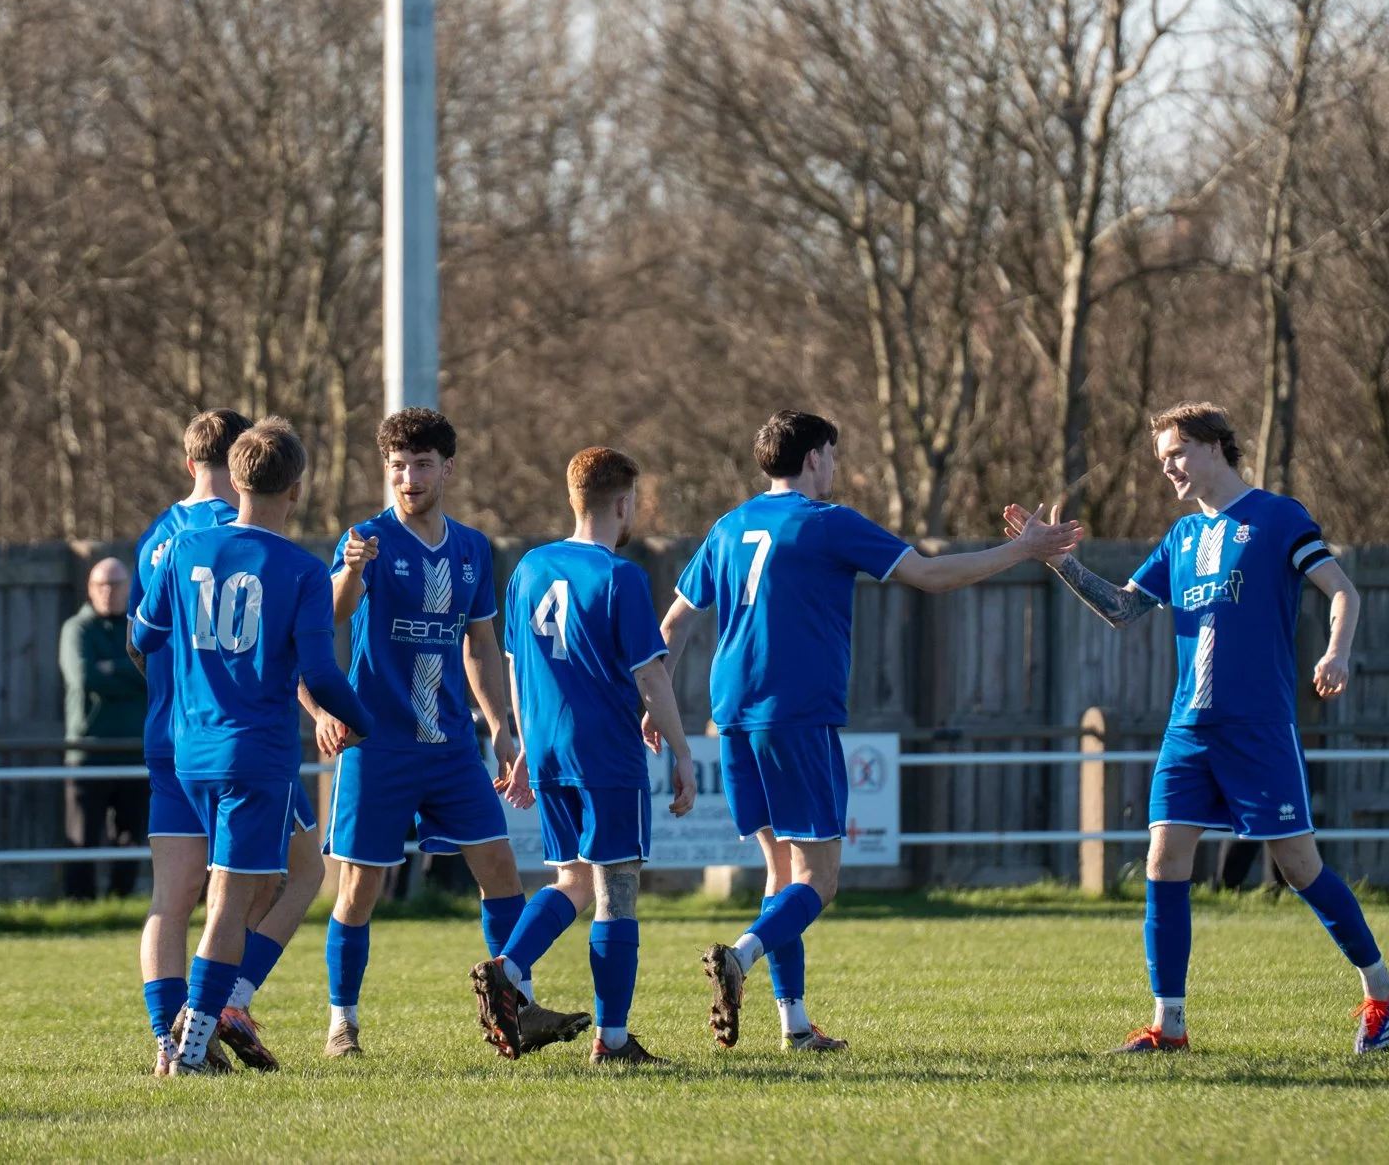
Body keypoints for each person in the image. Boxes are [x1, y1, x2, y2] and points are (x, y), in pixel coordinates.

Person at [663, 409, 1081, 1051]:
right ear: (812, 459)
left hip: (734, 716)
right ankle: (740, 959)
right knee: (819, 879)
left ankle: (795, 1027)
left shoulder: (728, 526)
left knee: (780, 873)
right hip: (796, 714)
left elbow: (675, 625)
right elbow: (931, 576)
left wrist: (654, 699)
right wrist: (1023, 550)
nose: (834, 468)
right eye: (831, 455)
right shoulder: (827, 523)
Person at [1022, 401, 1389, 1054]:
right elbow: (1121, 608)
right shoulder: (1181, 538)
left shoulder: (1278, 517)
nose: (1167, 466)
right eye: (1162, 457)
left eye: (1175, 452)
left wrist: (1337, 650)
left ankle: (1381, 986)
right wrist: (1061, 564)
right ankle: (1169, 1026)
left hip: (1258, 729)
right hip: (1188, 730)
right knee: (1164, 860)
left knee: (1299, 866)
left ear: (1212, 446)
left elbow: (1344, 590)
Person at [318, 408, 588, 1058]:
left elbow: (480, 644)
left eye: (420, 464)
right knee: (360, 886)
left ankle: (512, 1003)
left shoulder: (470, 548)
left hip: (449, 746)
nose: (408, 478)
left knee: (499, 867)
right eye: (397, 467)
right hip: (376, 745)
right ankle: (341, 1023)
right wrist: (352, 569)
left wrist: (500, 726)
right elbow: (334, 610)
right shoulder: (367, 539)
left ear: (447, 468)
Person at [132, 418, 375, 1076]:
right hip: (255, 756)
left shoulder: (183, 550)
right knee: (229, 905)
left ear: (235, 480)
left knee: (202, 897)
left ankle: (180, 1036)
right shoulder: (299, 569)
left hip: (189, 753)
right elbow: (321, 674)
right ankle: (187, 1048)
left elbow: (144, 633)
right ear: (297, 488)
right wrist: (363, 719)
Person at [471, 447, 698, 1066]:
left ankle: (509, 968)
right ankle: (613, 1040)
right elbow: (650, 676)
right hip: (605, 753)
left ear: (574, 498)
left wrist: (519, 744)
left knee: (569, 878)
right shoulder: (620, 577)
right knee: (616, 889)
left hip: (547, 750)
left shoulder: (528, 569)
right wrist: (682, 751)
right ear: (623, 503)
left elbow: (516, 666)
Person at [60, 557, 149, 900]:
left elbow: (154, 676)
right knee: (82, 836)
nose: (108, 592)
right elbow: (84, 677)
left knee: (130, 835)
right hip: (88, 752)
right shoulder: (77, 629)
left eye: (116, 585)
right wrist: (128, 673)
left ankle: (120, 901)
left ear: (129, 589)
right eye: (102, 584)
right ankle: (79, 904)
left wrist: (111, 670)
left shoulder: (140, 629)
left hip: (134, 751)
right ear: (89, 588)